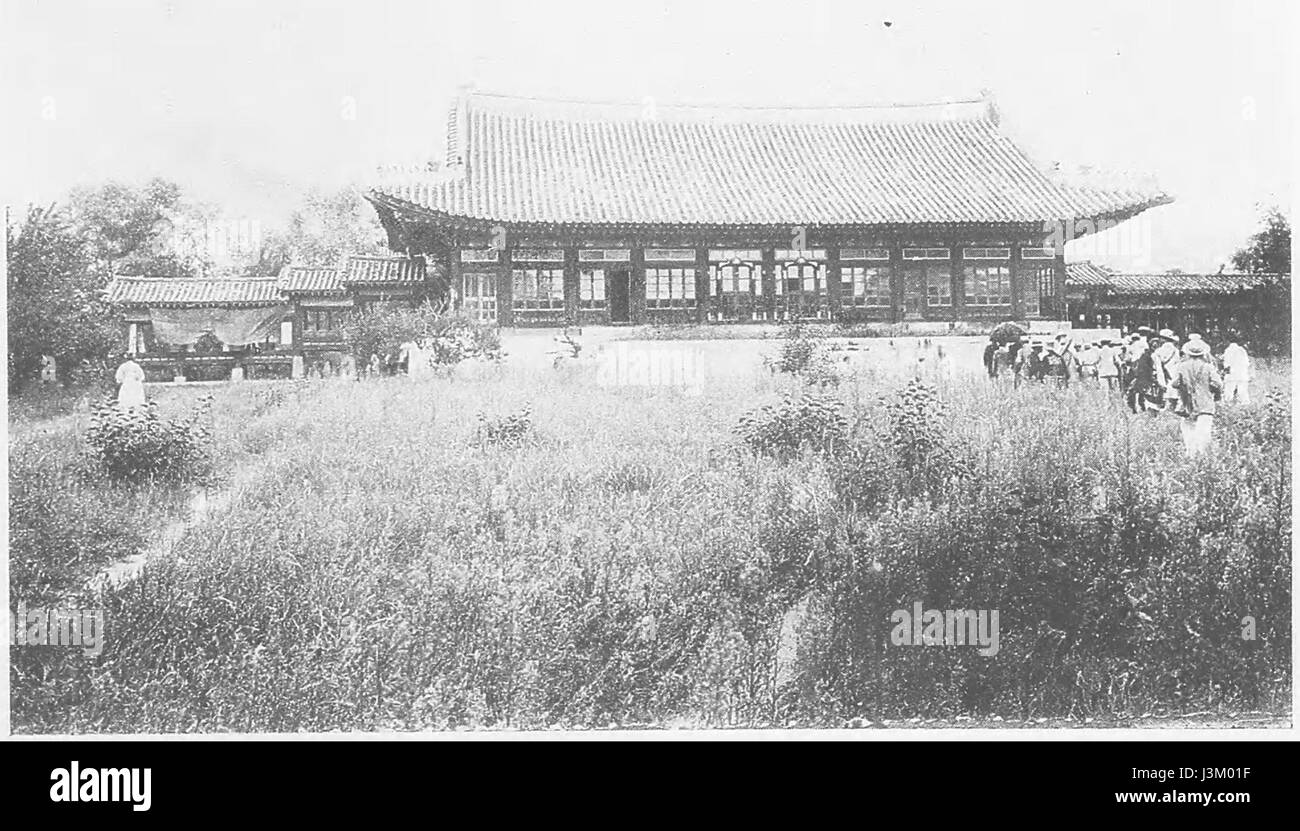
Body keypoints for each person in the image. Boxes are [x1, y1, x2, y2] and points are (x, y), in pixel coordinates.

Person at [1170, 337, 1223, 456]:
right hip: (1205, 404)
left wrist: (1185, 385)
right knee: (1204, 434)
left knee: (1189, 434)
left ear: (1188, 353)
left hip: (1187, 404)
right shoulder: (1208, 367)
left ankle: (1191, 457)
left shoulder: (1181, 366)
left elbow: (1174, 383)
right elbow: (1219, 384)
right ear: (1203, 353)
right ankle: (1204, 459)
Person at [1151, 329, 1181, 411]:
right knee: (1174, 392)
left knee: (1167, 392)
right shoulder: (1176, 350)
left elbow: (1157, 364)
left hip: (1165, 374)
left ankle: (1166, 409)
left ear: (1163, 339)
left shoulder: (1160, 350)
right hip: (1174, 373)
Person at [1221, 333, 1252, 404]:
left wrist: (1224, 373)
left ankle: (1228, 406)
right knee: (1243, 394)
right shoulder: (1242, 350)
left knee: (1228, 394)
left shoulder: (1228, 350)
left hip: (1232, 375)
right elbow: (1247, 363)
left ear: (1228, 341)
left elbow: (1226, 365)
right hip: (1242, 374)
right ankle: (1245, 408)